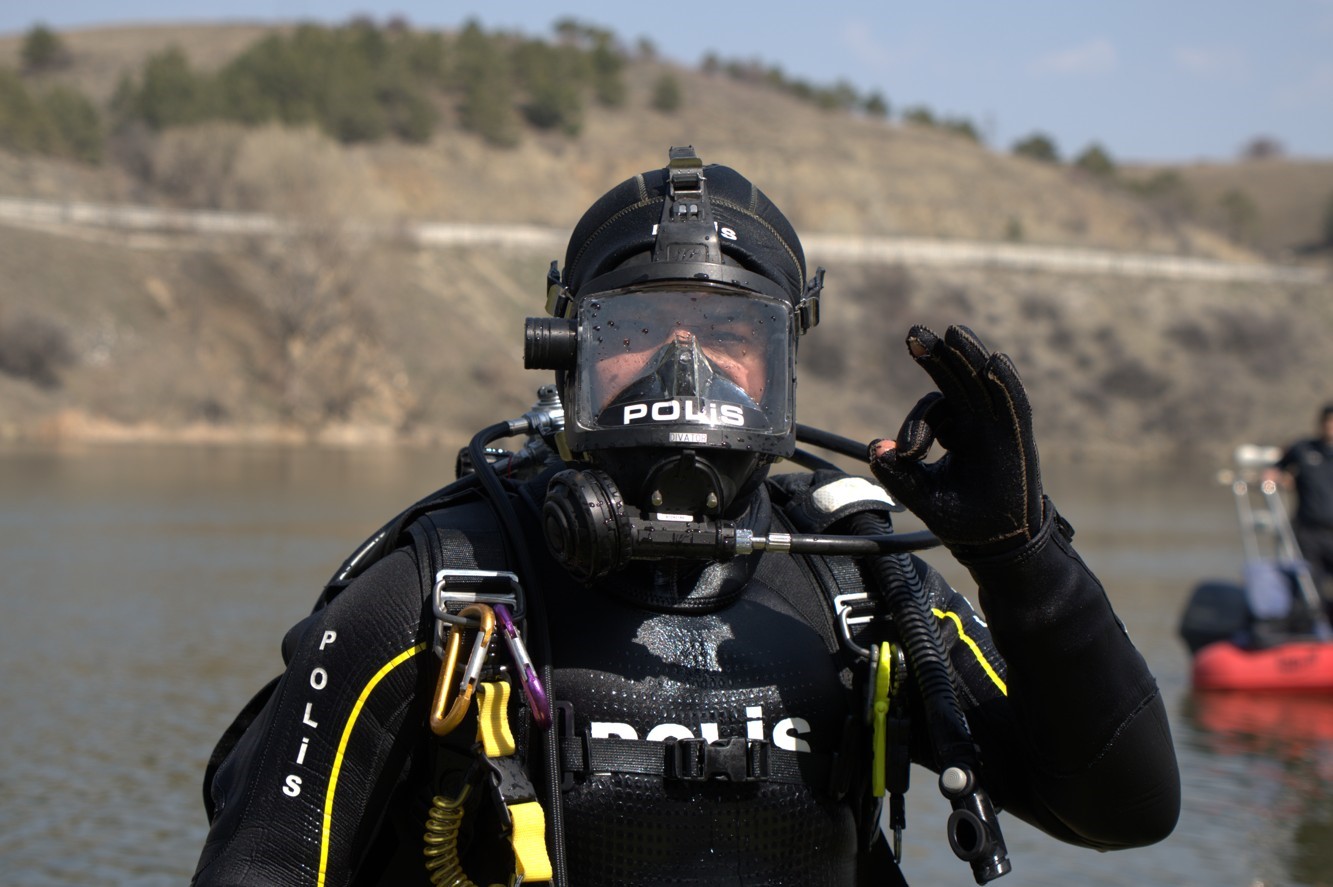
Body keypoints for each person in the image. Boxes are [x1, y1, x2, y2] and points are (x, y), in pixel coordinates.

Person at [192, 147, 1180, 887]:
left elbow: (1124, 808)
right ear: (568, 351)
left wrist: (1022, 556)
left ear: (782, 361)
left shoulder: (862, 584)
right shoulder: (445, 592)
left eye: (726, 332)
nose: (683, 368)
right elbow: (262, 864)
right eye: (634, 329)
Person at [1267, 404, 1333, 604]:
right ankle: (1310, 617)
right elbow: (1275, 470)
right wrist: (1275, 478)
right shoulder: (1303, 448)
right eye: (1328, 421)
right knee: (1309, 586)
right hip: (1309, 531)